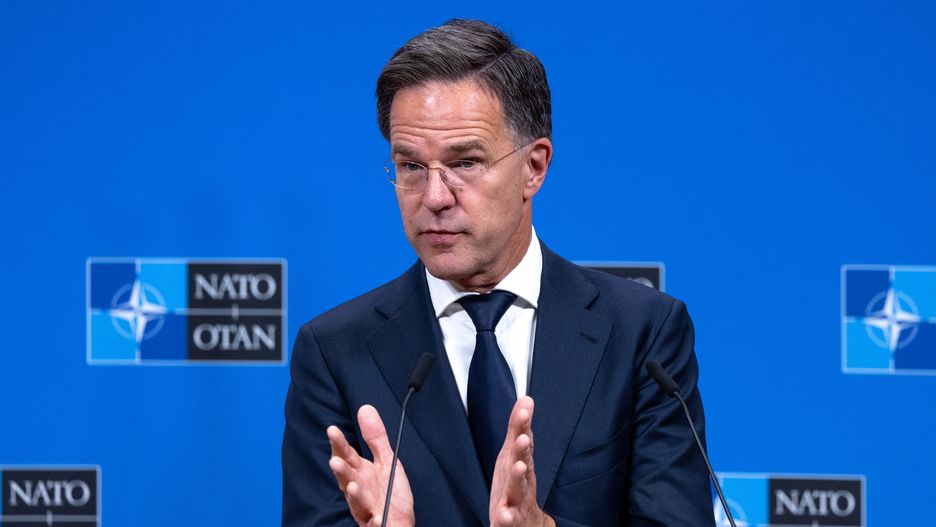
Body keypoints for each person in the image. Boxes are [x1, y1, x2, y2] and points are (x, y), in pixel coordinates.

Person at [283, 19, 714, 527]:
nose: (434, 197)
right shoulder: (335, 352)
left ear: (534, 167)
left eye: (465, 162)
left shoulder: (642, 333)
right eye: (411, 166)